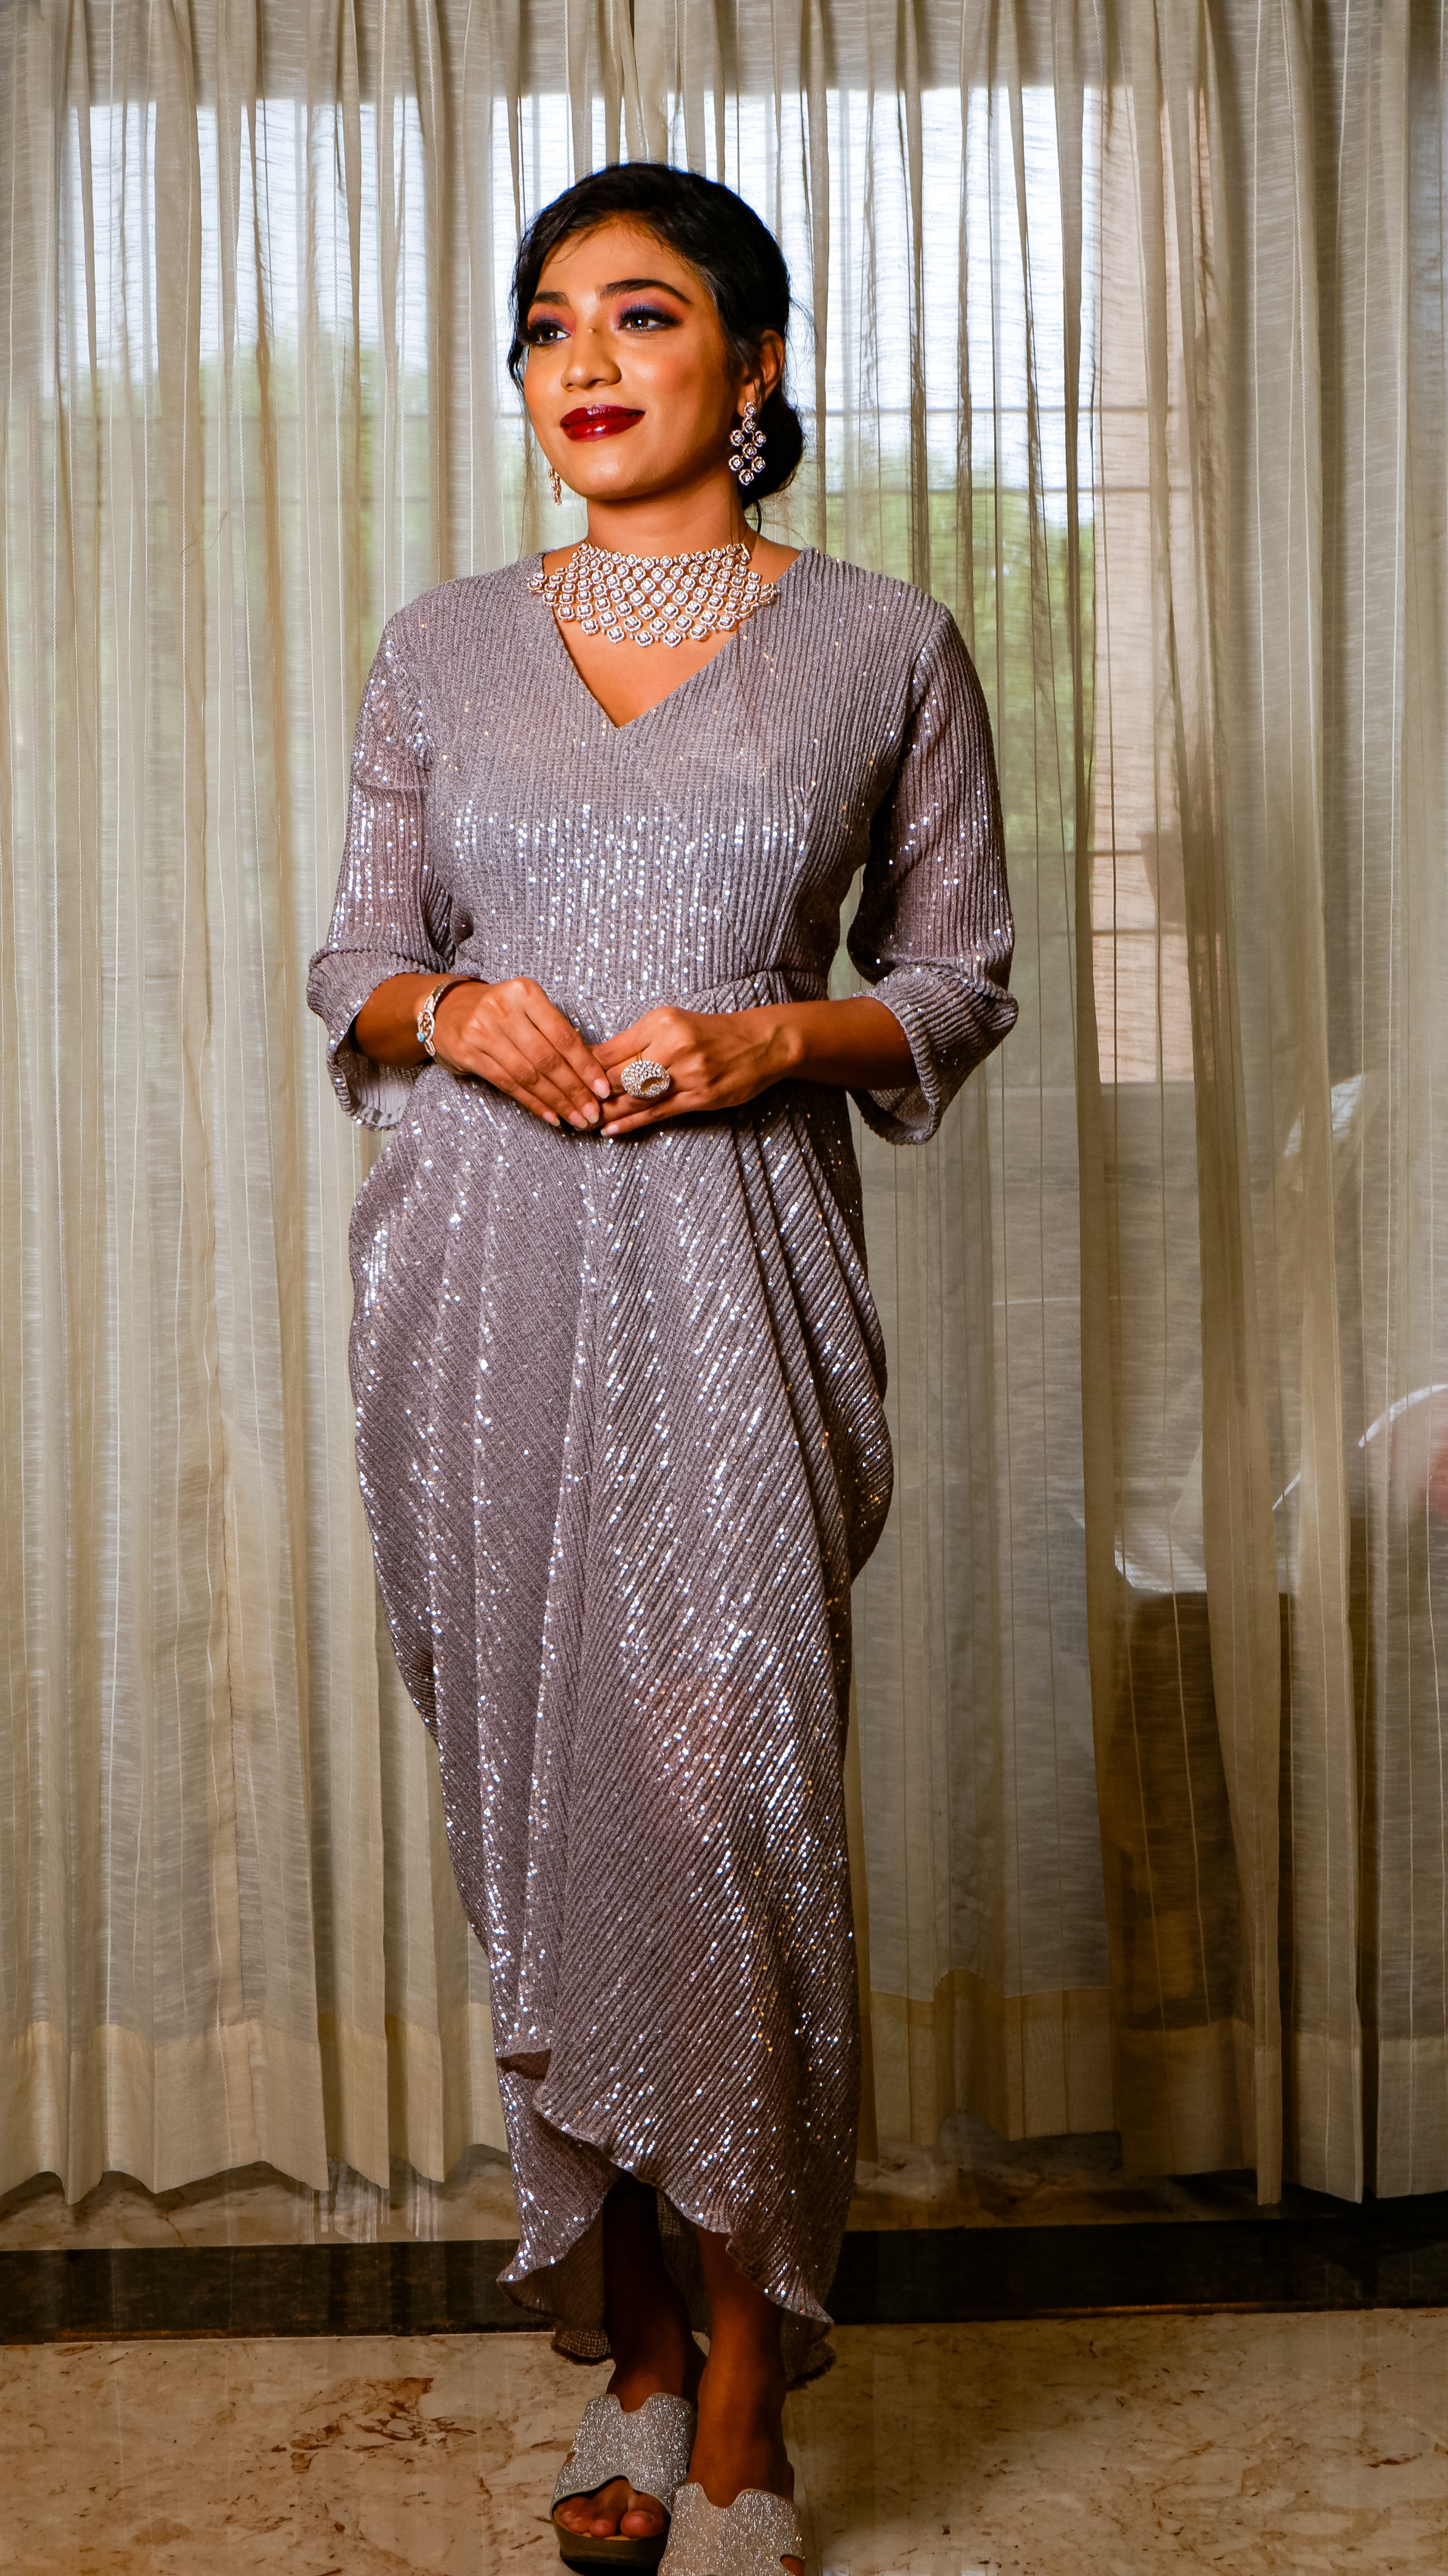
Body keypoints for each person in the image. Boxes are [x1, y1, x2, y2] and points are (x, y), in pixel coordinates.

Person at [308, 160, 1015, 2576]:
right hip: (477, 1288)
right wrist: (450, 1008)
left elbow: (958, 975)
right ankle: (625, 2342)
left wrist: (768, 1035)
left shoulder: (884, 642)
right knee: (545, 1806)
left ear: (755, 359)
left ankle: (740, 2363)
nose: (583, 360)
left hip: (735, 1284)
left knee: (728, 1800)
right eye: (545, 324)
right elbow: (353, 964)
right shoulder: (438, 646)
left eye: (640, 312)